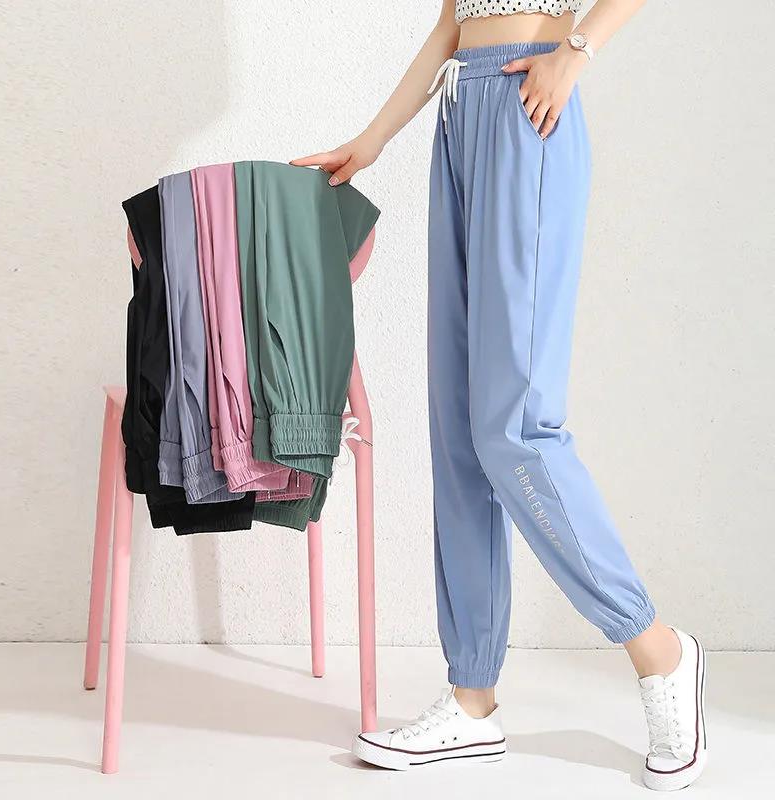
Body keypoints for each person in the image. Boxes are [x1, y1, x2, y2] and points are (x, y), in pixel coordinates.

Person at [292, 0, 706, 790]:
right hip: (461, 113)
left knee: (513, 430)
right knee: (459, 431)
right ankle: (472, 699)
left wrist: (574, 52)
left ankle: (660, 650)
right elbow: (453, 21)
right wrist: (372, 139)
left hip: (529, 108)